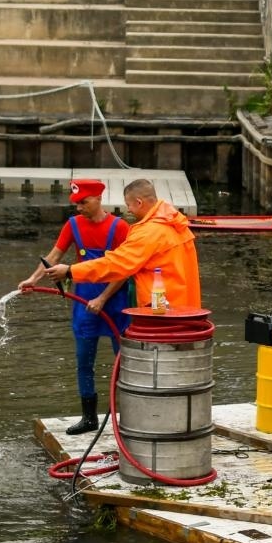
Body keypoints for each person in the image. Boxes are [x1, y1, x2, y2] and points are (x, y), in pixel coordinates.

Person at [18, 179, 134, 435]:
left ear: (98, 199)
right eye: (76, 203)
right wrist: (33, 279)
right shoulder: (73, 225)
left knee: (124, 361)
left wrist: (103, 297)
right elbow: (54, 256)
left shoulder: (120, 227)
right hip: (83, 301)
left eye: (84, 202)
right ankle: (89, 418)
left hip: (114, 301)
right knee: (84, 361)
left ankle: (128, 416)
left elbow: (125, 269)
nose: (79, 207)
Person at [40, 179, 201, 312]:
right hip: (186, 309)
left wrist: (70, 271)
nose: (129, 211)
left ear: (139, 202)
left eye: (129, 205)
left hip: (161, 310)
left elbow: (116, 264)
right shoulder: (177, 224)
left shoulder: (148, 232)